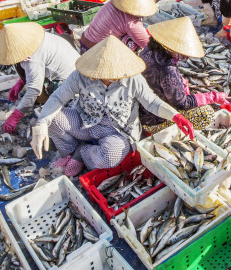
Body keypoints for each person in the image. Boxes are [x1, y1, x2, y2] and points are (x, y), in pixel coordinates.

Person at [30, 36, 195, 173]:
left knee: (110, 157)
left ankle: (83, 153)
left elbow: (151, 101)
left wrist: (175, 116)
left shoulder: (132, 78)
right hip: (86, 122)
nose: (112, 78)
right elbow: (58, 97)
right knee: (54, 119)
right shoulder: (80, 76)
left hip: (118, 131)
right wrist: (41, 124)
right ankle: (71, 152)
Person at [0, 23, 80, 139]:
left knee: (37, 95)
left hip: (71, 83)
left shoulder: (32, 59)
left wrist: (16, 116)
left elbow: (34, 90)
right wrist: (21, 82)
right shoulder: (39, 39)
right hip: (74, 68)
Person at [140, 18, 224, 133]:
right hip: (153, 120)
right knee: (206, 113)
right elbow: (181, 103)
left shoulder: (148, 49)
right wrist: (214, 97)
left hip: (141, 109)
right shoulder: (167, 69)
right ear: (171, 47)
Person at [80, 0, 156, 52]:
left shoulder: (112, 3)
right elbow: (148, 44)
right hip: (95, 50)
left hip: (84, 39)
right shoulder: (131, 23)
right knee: (132, 42)